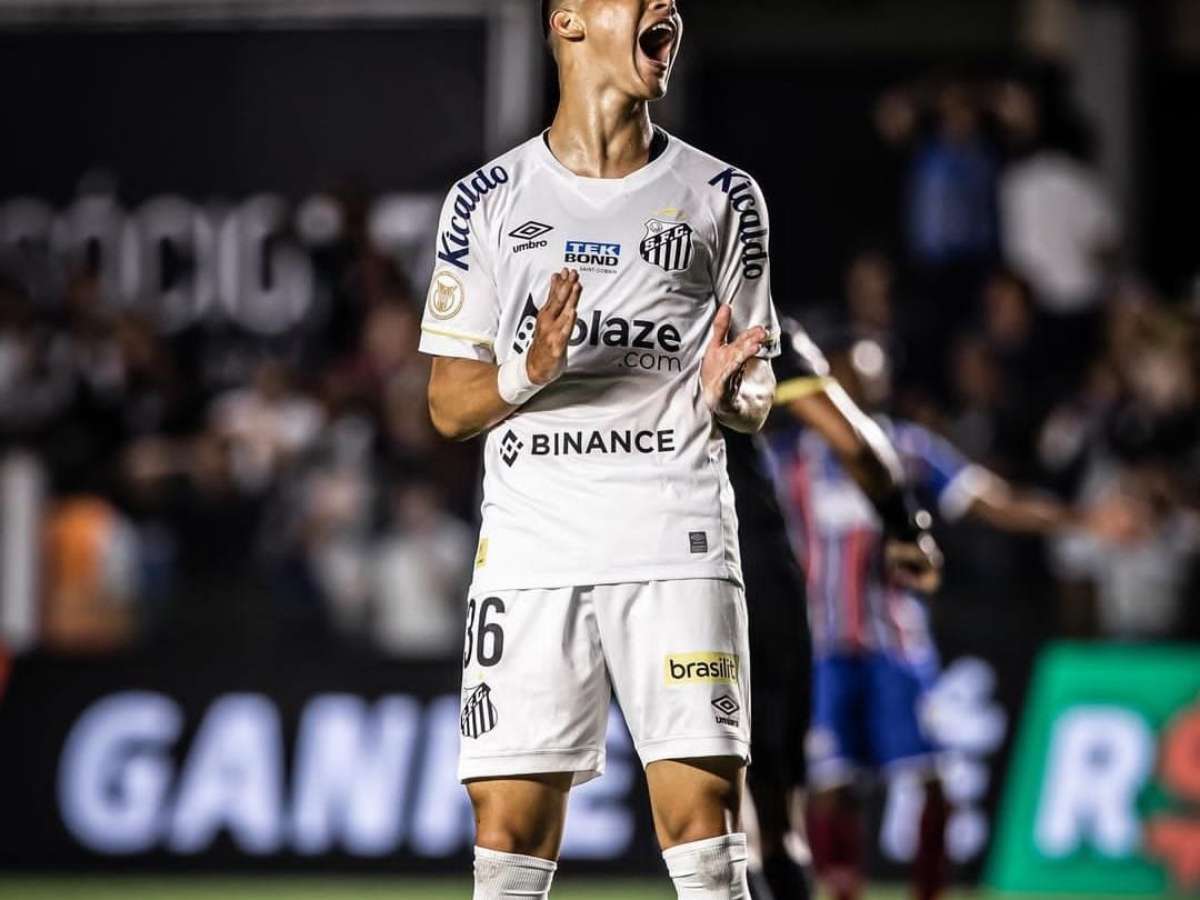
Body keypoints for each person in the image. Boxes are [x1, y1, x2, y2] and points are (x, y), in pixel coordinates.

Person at [419, 3, 940, 897]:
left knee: (707, 826)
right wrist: (528, 370)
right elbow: (445, 405)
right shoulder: (486, 199)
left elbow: (761, 383)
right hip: (532, 551)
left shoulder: (724, 196)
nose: (665, 6)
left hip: (678, 540)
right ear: (569, 21)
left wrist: (736, 396)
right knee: (506, 835)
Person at [765, 333, 1139, 900]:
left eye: (874, 370)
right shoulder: (789, 457)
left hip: (897, 641)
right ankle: (840, 891)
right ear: (826, 375)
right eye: (852, 369)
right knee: (830, 783)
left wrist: (1083, 519)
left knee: (932, 775)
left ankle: (931, 891)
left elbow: (992, 501)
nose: (865, 381)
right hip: (820, 644)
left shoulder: (908, 448)